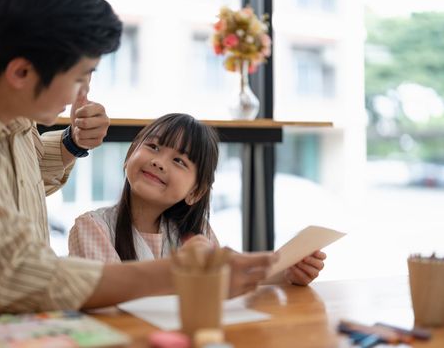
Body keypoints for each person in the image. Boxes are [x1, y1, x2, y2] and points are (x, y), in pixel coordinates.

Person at [0, 0, 276, 313]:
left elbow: (6, 178)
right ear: (22, 72)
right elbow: (12, 275)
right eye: (80, 76)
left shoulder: (10, 116)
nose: (85, 91)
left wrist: (72, 143)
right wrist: (180, 274)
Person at [69, 113, 326, 286]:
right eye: (153, 147)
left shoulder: (195, 232)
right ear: (129, 156)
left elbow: (225, 281)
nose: (158, 162)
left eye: (179, 161)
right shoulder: (92, 227)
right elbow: (108, 296)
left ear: (196, 192)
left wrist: (287, 273)